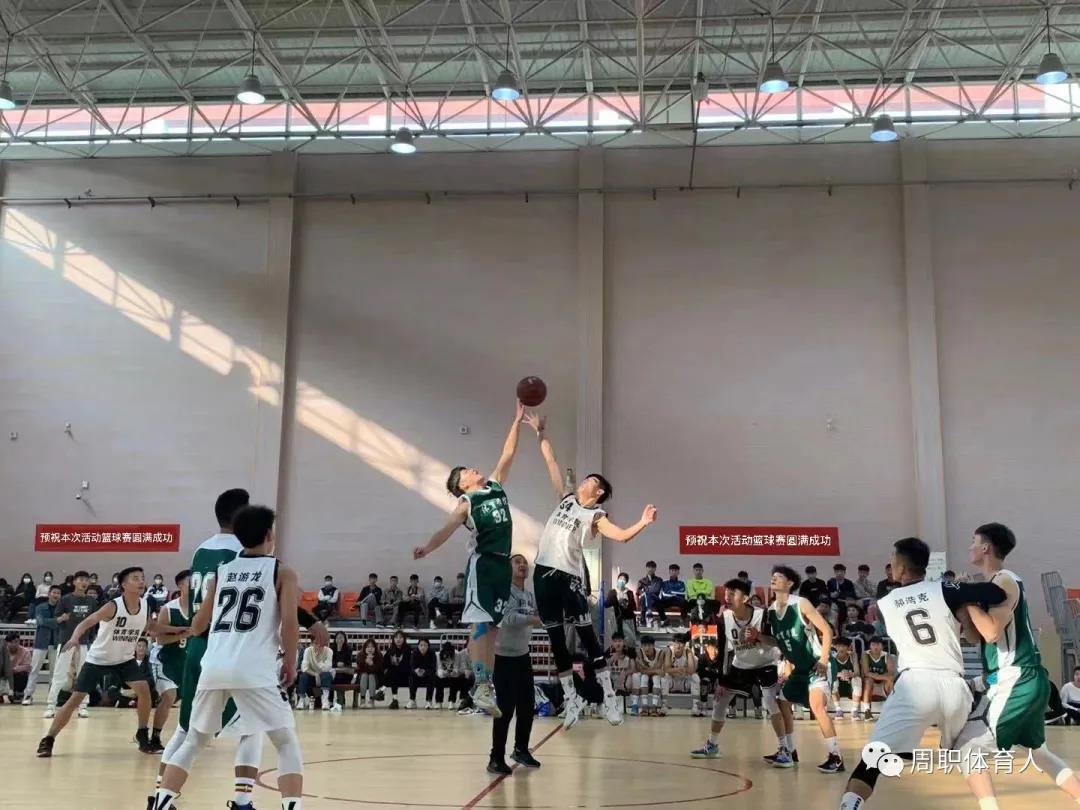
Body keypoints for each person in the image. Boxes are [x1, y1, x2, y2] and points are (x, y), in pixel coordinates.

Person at [153, 488, 328, 810]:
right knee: (285, 741)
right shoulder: (281, 570)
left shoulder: (220, 571)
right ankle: (287, 806)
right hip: (253, 667)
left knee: (194, 739)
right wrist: (291, 661)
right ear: (269, 535)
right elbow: (290, 623)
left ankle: (161, 802)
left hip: (212, 665)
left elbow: (198, 624)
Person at [837, 536, 1009, 810]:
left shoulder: (883, 603)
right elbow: (996, 594)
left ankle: (850, 805)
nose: (890, 564)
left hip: (915, 686)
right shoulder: (946, 588)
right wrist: (964, 592)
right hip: (955, 689)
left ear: (902, 568)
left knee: (872, 761)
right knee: (968, 755)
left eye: (893, 560)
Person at [525, 411, 657, 728]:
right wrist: (541, 433)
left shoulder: (595, 515)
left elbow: (621, 536)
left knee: (588, 638)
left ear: (597, 493)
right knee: (556, 641)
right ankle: (571, 699)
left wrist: (643, 522)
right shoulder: (566, 499)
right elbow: (551, 462)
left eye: (592, 481)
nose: (585, 481)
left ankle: (609, 698)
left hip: (568, 576)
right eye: (586, 479)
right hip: (542, 573)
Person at [952, 523, 1080, 810]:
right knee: (1040, 753)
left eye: (974, 541)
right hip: (1018, 679)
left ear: (986, 547)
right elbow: (974, 636)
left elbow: (991, 633)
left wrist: (969, 596)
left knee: (967, 749)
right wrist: (964, 605)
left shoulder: (1005, 580)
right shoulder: (990, 586)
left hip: (1018, 679)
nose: (970, 546)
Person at [413, 401, 529, 716]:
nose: (472, 469)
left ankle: (485, 686)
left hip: (502, 565)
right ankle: (479, 683)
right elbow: (447, 528)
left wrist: (516, 421)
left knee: (493, 629)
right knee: (479, 624)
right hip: (483, 565)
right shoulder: (466, 502)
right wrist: (428, 547)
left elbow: (507, 454)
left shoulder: (494, 486)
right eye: (466, 471)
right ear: (462, 484)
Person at [37, 567, 172, 757]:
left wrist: (180, 629)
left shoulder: (145, 605)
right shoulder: (112, 606)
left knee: (144, 691)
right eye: (135, 578)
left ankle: (142, 735)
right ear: (123, 584)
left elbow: (151, 626)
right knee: (75, 699)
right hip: (98, 659)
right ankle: (48, 739)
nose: (141, 581)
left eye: (142, 578)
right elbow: (86, 622)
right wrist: (75, 637)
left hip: (124, 660)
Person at [759, 565, 843, 773]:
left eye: (779, 576)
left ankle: (836, 757)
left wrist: (824, 659)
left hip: (817, 663)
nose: (774, 578)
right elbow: (777, 641)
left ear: (789, 583)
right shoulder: (771, 611)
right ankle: (789, 751)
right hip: (799, 669)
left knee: (817, 706)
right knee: (783, 702)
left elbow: (827, 630)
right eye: (772, 576)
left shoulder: (801, 603)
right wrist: (758, 637)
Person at [691, 578, 786, 759]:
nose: (727, 597)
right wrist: (721, 680)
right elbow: (722, 650)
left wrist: (759, 636)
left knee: (770, 702)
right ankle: (712, 744)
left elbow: (777, 642)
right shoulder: (725, 618)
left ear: (745, 598)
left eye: (732, 594)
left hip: (765, 663)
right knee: (720, 701)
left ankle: (784, 749)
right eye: (726, 593)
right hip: (741, 664)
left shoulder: (763, 615)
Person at [487, 553, 542, 773]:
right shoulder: (504, 592)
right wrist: (537, 620)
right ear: (508, 568)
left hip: (522, 656)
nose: (522, 565)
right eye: (517, 562)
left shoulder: (529, 595)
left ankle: (521, 750)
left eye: (524, 562)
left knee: (527, 707)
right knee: (505, 709)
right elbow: (508, 619)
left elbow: (536, 616)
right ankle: (495, 758)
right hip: (503, 658)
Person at [45, 570, 98, 719]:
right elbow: (57, 619)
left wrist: (90, 638)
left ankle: (83, 706)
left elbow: (95, 622)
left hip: (84, 643)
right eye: (81, 579)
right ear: (74, 582)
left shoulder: (92, 602)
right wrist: (62, 618)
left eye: (86, 580)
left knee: (84, 675)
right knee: (59, 674)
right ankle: (51, 705)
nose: (84, 582)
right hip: (67, 642)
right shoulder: (65, 600)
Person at [148, 570, 191, 754]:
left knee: (192, 699)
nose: (194, 585)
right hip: (164, 659)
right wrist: (185, 634)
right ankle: (154, 738)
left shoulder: (200, 608)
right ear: (180, 585)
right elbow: (160, 639)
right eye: (190, 582)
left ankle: (190, 736)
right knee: (169, 697)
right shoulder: (168, 609)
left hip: (185, 660)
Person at [22, 585, 64, 705]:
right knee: (34, 669)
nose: (56, 595)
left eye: (58, 593)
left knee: (54, 672)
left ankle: (52, 696)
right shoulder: (40, 607)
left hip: (56, 643)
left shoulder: (62, 608)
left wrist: (55, 621)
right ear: (49, 594)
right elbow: (41, 621)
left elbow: (62, 624)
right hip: (41, 643)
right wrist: (58, 620)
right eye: (54, 592)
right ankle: (28, 695)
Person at [659, 632, 697, 716]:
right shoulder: (669, 651)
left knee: (695, 677)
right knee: (664, 677)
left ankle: (695, 707)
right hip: (672, 682)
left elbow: (692, 670)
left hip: (684, 682)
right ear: (673, 643)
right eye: (676, 643)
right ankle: (664, 706)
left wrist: (677, 670)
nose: (678, 646)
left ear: (684, 644)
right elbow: (666, 669)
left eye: (681, 643)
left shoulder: (688, 651)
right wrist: (679, 669)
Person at [858, 636, 894, 720]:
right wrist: (880, 676)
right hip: (868, 682)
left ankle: (890, 707)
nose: (875, 647)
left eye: (878, 645)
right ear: (870, 646)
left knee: (890, 679)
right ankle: (867, 711)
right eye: (873, 645)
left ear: (882, 646)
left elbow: (890, 672)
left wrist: (880, 677)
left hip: (882, 682)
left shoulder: (887, 655)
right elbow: (866, 672)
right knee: (868, 680)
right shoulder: (865, 654)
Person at [298, 637, 335, 711]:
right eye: (316, 643)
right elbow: (304, 668)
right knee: (303, 676)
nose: (318, 645)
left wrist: (318, 660)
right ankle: (301, 700)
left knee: (326, 675)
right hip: (312, 675)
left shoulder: (329, 651)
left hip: (324, 676)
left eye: (321, 643)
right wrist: (316, 674)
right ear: (312, 644)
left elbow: (327, 667)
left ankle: (325, 700)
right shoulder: (308, 650)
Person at [829, 638, 861, 720]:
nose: (841, 648)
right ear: (835, 647)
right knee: (833, 681)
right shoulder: (832, 657)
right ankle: (838, 709)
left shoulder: (853, 655)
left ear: (848, 647)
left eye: (844, 646)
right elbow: (830, 673)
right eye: (839, 646)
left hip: (850, 684)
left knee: (857, 679)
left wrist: (849, 674)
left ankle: (855, 710)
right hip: (838, 686)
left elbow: (857, 672)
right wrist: (840, 674)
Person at [633, 637, 664, 716]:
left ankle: (654, 707)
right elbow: (641, 670)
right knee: (644, 677)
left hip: (656, 678)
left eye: (649, 645)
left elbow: (659, 669)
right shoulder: (639, 652)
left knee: (656, 678)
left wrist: (645, 667)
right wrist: (654, 670)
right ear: (641, 646)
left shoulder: (660, 653)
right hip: (645, 677)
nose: (647, 648)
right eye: (644, 645)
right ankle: (645, 706)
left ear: (653, 645)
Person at [382, 630, 411, 709]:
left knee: (393, 672)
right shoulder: (390, 650)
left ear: (404, 639)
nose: (398, 639)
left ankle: (382, 690)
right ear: (393, 639)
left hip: (405, 676)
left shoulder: (407, 649)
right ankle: (395, 700)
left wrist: (393, 667)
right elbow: (385, 663)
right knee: (392, 673)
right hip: (393, 676)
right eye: (396, 637)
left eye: (400, 637)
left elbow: (406, 665)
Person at [436, 640, 467, 709]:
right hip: (443, 676)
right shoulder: (438, 655)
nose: (448, 658)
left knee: (458, 680)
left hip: (454, 676)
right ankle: (439, 702)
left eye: (450, 655)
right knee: (438, 680)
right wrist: (444, 673)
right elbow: (438, 669)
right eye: (446, 656)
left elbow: (462, 669)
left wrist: (455, 672)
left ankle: (451, 701)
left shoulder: (457, 654)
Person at [407, 637, 436, 709]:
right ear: (418, 646)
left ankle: (428, 701)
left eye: (425, 645)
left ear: (428, 646)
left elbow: (433, 668)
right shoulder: (414, 653)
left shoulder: (432, 653)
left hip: (427, 675)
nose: (423, 647)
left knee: (432, 677)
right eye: (421, 645)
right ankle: (412, 700)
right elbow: (412, 666)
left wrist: (425, 672)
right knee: (411, 676)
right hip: (416, 675)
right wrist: (416, 671)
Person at [605, 633, 636, 702]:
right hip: (613, 676)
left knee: (632, 677)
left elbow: (633, 669)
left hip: (625, 677)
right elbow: (604, 667)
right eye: (615, 641)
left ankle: (626, 691)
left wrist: (625, 673)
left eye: (620, 641)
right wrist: (613, 658)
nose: (618, 644)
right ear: (612, 642)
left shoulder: (630, 651)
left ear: (623, 642)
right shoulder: (609, 651)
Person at [329, 631, 355, 708]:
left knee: (339, 677)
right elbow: (330, 662)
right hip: (335, 672)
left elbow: (348, 663)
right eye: (337, 638)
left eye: (341, 637)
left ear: (344, 639)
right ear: (335, 639)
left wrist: (342, 665)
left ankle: (340, 701)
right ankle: (330, 701)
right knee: (329, 678)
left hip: (345, 673)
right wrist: (337, 664)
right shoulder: (331, 649)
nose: (339, 639)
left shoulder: (348, 649)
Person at [2, 633, 31, 701]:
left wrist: (13, 669)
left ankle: (17, 693)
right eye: (12, 642)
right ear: (6, 643)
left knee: (23, 673)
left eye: (16, 642)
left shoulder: (26, 652)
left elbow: (27, 667)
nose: (14, 644)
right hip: (4, 675)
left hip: (17, 676)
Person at [354, 638, 381, 708]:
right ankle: (362, 700)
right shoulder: (360, 655)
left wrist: (372, 664)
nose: (370, 649)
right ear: (365, 648)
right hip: (362, 679)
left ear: (375, 648)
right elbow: (359, 669)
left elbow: (379, 670)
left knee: (371, 675)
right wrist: (366, 662)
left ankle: (371, 700)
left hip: (375, 679)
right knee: (364, 675)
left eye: (372, 647)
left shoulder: (379, 655)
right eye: (368, 647)